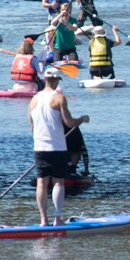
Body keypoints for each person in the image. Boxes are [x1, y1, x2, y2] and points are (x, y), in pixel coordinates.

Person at [28, 68, 88, 227]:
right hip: (57, 147)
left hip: (39, 148)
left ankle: (43, 220)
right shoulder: (59, 98)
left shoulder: (33, 99)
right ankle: (57, 218)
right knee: (58, 183)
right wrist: (81, 119)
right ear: (55, 80)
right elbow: (69, 122)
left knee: (41, 183)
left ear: (45, 80)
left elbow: (32, 126)